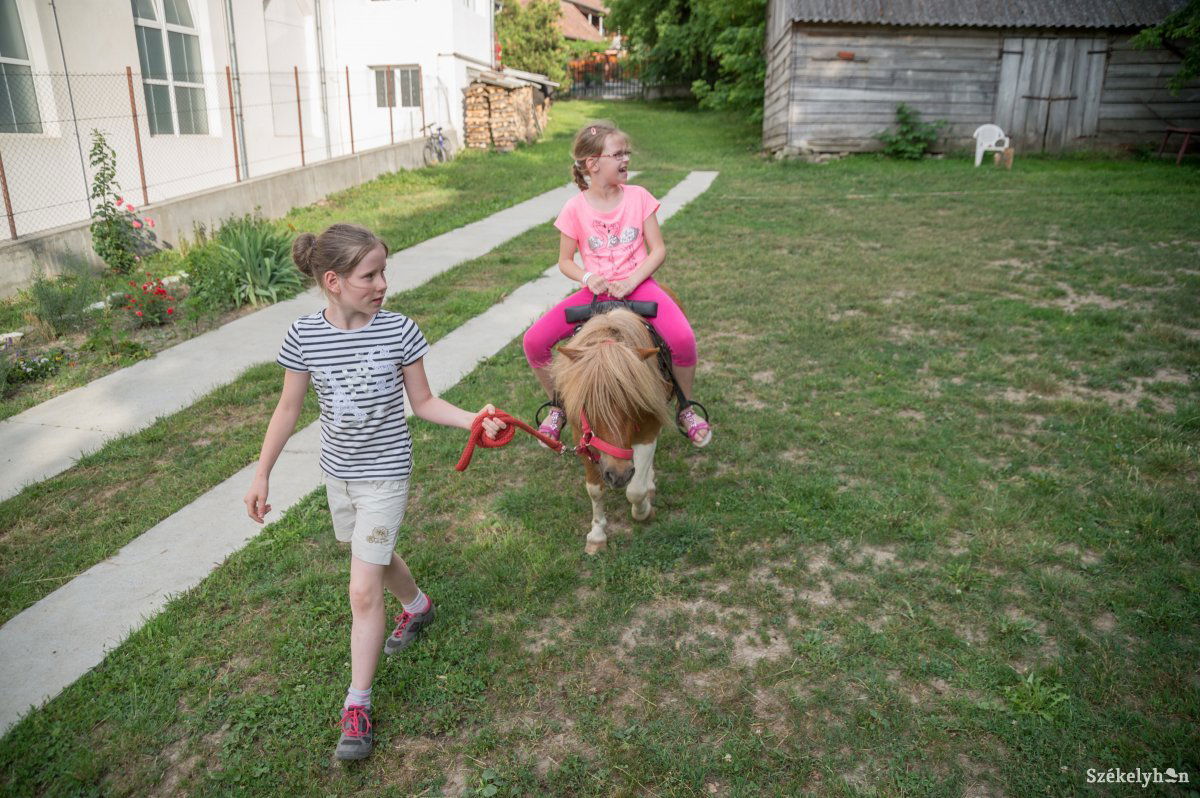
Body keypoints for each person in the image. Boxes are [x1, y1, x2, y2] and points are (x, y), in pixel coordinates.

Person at [242, 223, 505, 760]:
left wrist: (473, 419)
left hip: (386, 475)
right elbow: (288, 408)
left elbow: (425, 401)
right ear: (334, 281)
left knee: (362, 589)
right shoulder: (304, 336)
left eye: (385, 270)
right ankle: (418, 604)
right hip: (338, 474)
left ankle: (356, 705)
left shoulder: (400, 332)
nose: (383, 283)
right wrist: (262, 472)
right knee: (376, 558)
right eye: (370, 274)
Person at [521, 120, 711, 447]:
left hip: (639, 287)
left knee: (683, 339)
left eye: (627, 153)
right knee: (534, 341)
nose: (626, 159)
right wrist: (588, 277)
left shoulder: (639, 197)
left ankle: (685, 406)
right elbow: (565, 260)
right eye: (617, 154)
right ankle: (559, 406)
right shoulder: (574, 208)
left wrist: (632, 279)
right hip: (594, 293)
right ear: (593, 164)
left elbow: (658, 249)